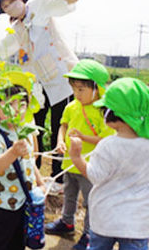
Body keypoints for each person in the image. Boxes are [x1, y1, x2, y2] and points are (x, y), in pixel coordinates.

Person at [0, 0, 79, 194]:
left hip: (61, 79)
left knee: (60, 125)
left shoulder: (41, 6)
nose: (9, 7)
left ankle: (59, 179)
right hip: (38, 85)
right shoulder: (17, 29)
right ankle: (33, 171)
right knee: (34, 128)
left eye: (11, 1)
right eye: (5, 6)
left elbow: (73, 0)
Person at [69, 78, 149, 250]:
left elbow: (95, 176)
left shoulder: (108, 145)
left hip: (105, 219)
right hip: (137, 223)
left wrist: (77, 157)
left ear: (110, 114)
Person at [44, 60, 115, 250]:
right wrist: (60, 140)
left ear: (97, 88)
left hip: (90, 166)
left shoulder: (103, 112)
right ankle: (67, 222)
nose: (77, 94)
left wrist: (83, 137)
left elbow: (105, 140)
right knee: (69, 194)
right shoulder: (72, 107)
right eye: (74, 89)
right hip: (69, 163)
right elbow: (63, 125)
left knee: (91, 201)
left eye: (81, 89)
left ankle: (90, 234)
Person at [0, 71, 45, 250]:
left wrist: (40, 181)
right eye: (9, 103)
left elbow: (29, 161)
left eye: (22, 104)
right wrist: (12, 153)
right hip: (2, 205)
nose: (16, 108)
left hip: (23, 203)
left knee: (16, 244)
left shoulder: (25, 131)